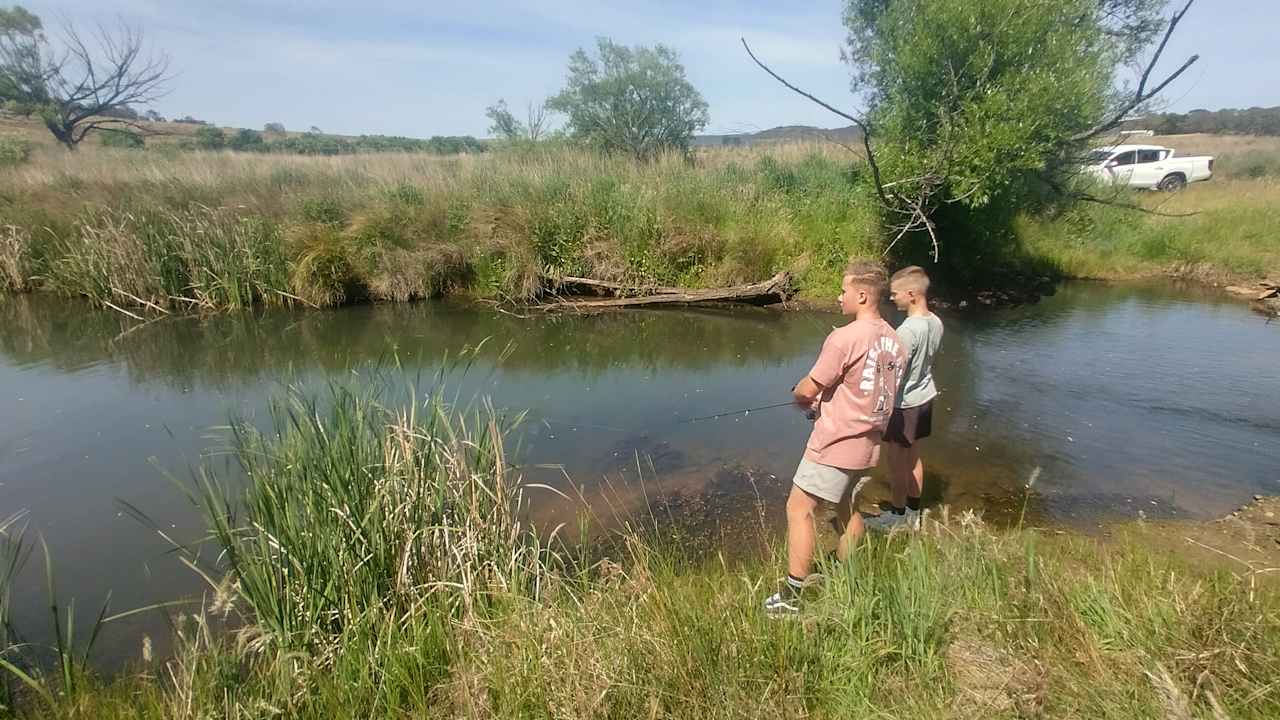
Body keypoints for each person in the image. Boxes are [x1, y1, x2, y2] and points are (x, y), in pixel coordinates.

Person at [763, 260, 905, 615]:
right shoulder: (896, 341)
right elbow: (868, 391)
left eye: (843, 291)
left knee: (799, 509)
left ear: (861, 294)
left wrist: (801, 395)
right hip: (869, 446)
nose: (838, 296)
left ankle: (792, 597)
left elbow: (808, 388)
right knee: (845, 507)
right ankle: (845, 574)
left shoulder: (843, 338)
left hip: (835, 445)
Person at [866, 265, 943, 531]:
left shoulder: (907, 331)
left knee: (897, 463)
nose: (892, 298)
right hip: (924, 397)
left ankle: (897, 517)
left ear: (911, 294)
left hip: (904, 404)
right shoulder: (935, 322)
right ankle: (913, 512)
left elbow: (891, 374)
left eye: (896, 294)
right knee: (913, 458)